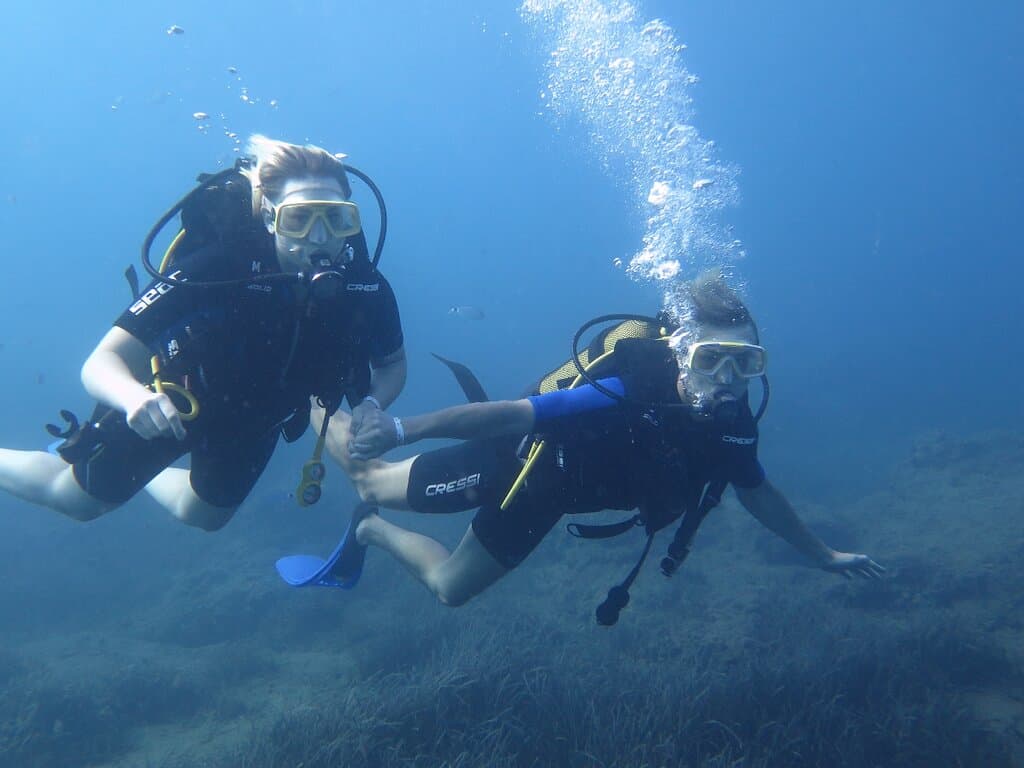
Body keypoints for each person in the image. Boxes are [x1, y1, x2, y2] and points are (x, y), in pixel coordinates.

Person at [301, 272, 882, 624]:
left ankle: (367, 530)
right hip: (524, 466)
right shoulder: (629, 384)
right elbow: (513, 414)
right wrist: (404, 429)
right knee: (369, 480)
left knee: (450, 589)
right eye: (711, 360)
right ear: (681, 355)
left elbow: (757, 491)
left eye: (745, 363)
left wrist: (822, 554)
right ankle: (309, 398)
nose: (728, 380)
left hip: (559, 498)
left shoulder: (732, 425)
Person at [0, 135, 405, 531]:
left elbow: (392, 362)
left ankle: (148, 475)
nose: (319, 236)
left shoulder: (365, 286)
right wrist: (133, 398)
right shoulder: (217, 268)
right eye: (298, 218)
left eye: (335, 218)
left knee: (205, 516)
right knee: (75, 500)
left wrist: (373, 403)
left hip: (259, 419)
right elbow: (101, 363)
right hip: (175, 403)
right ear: (269, 218)